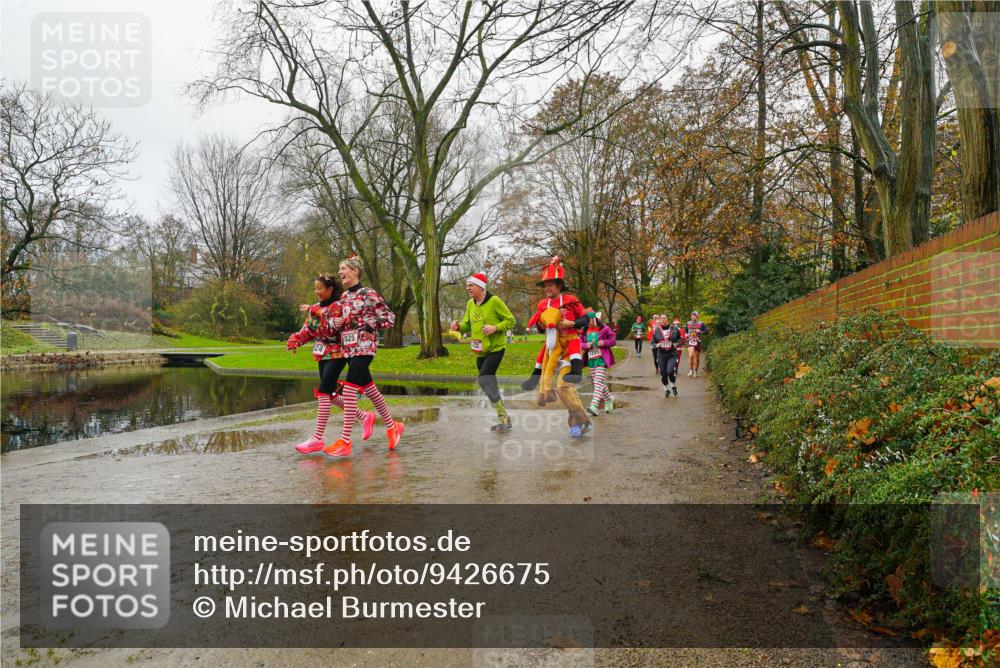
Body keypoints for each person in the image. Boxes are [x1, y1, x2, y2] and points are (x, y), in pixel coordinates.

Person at [323, 254, 404, 458]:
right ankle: (393, 426)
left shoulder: (368, 293)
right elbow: (336, 321)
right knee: (370, 389)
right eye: (339, 268)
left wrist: (371, 324)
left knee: (349, 391)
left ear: (355, 271)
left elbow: (389, 317)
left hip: (365, 346)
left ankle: (345, 441)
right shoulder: (343, 298)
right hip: (349, 348)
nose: (340, 272)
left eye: (344, 268)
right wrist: (336, 324)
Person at [286, 274, 376, 454]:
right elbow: (309, 328)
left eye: (319, 288)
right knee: (331, 393)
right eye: (315, 289)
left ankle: (317, 438)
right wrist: (296, 340)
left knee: (324, 391)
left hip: (338, 352)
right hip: (322, 353)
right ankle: (364, 416)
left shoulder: (339, 306)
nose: (316, 292)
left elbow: (339, 328)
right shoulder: (316, 308)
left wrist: (326, 322)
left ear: (330, 289)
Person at [522, 257, 592, 438]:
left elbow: (586, 320)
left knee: (563, 387)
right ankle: (583, 420)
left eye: (550, 284)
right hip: (552, 349)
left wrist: (572, 322)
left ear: (559, 285)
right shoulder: (542, 305)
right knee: (561, 388)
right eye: (544, 285)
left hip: (570, 348)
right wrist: (543, 326)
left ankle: (575, 425)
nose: (547, 288)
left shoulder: (571, 299)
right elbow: (539, 326)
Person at [450, 272, 517, 432]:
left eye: (470, 285)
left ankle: (503, 418)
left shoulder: (494, 301)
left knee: (484, 380)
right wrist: (458, 326)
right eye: (467, 285)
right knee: (489, 383)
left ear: (480, 287)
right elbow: (467, 324)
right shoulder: (470, 304)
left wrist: (496, 328)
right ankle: (504, 418)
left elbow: (511, 320)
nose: (468, 288)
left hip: (495, 349)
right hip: (479, 351)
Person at [581, 311, 617, 416]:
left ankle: (594, 406)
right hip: (591, 360)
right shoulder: (584, 331)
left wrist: (604, 342)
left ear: (595, 319)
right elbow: (580, 343)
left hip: (602, 359)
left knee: (597, 382)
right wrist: (585, 345)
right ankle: (609, 399)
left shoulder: (604, 329)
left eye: (589, 320)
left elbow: (613, 340)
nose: (587, 323)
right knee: (598, 383)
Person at [652, 316, 683, 397]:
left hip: (671, 354)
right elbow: (653, 343)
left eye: (664, 318)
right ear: (660, 320)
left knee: (669, 371)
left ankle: (673, 385)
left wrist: (677, 343)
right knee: (663, 373)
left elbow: (680, 339)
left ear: (667, 319)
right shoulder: (657, 330)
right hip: (661, 354)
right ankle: (666, 389)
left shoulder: (674, 329)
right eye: (661, 318)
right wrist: (656, 344)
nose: (663, 320)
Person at [686, 310, 708, 377]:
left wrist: (700, 331)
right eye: (692, 315)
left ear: (697, 316)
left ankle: (695, 371)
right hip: (690, 341)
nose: (693, 317)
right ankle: (690, 370)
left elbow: (706, 332)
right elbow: (685, 331)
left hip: (698, 341)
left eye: (694, 315)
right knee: (691, 355)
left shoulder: (701, 323)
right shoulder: (688, 323)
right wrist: (686, 334)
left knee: (697, 358)